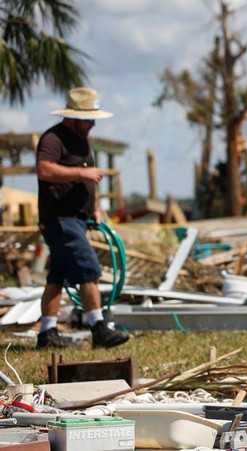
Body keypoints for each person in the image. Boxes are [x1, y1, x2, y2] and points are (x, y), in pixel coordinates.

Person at [35, 87, 130, 349]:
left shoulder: (82, 140)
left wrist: (95, 207)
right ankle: (98, 327)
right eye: (89, 119)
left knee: (58, 276)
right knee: (88, 268)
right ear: (74, 117)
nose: (93, 124)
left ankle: (47, 334)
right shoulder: (53, 139)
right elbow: (44, 169)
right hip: (59, 217)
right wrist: (79, 173)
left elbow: (89, 177)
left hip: (76, 217)